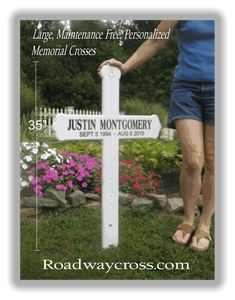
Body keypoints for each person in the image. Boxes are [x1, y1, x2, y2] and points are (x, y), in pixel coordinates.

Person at [97, 20, 215, 252]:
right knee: (193, 161)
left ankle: (205, 223)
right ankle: (188, 219)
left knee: (214, 160)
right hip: (186, 88)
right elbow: (156, 39)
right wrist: (125, 67)